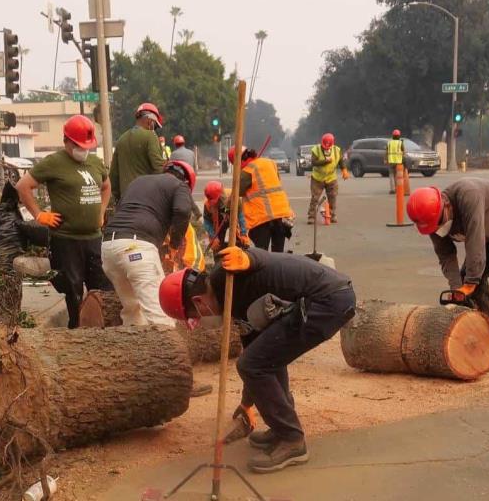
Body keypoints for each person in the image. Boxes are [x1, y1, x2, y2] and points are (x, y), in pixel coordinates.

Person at [158, 246, 356, 473]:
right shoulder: (226, 296)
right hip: (322, 298)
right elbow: (253, 346)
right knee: (262, 358)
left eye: (194, 316)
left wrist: (247, 257)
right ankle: (282, 427)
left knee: (254, 364)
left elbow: (259, 259)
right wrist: (246, 404)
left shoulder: (229, 275)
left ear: (199, 302)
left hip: (328, 301)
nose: (199, 322)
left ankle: (291, 440)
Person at [406, 178, 489, 365]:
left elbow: (475, 244)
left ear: (445, 204)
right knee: (466, 280)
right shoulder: (429, 219)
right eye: (433, 227)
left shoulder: (468, 195)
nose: (437, 228)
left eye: (439, 222)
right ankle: (485, 329)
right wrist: (457, 289)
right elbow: (446, 255)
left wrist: (470, 283)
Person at [16, 115, 112, 328]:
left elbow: (106, 186)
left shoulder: (94, 162)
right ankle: (76, 329)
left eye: (86, 146)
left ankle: (103, 330)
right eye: (78, 145)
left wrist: (102, 211)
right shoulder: (53, 162)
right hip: (66, 240)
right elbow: (23, 186)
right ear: (66, 141)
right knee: (73, 289)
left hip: (93, 238)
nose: (83, 149)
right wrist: (39, 214)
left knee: (102, 288)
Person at [101, 160, 196, 326]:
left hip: (109, 247)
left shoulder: (139, 181)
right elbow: (182, 211)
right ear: (187, 181)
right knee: (160, 314)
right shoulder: (180, 186)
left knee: (133, 311)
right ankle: (171, 350)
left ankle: (136, 350)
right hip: (136, 248)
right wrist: (174, 245)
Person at [230, 146, 294, 252]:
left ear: (238, 161)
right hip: (280, 214)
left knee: (262, 253)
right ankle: (278, 267)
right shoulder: (270, 162)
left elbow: (237, 192)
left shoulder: (247, 171)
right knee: (278, 253)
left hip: (262, 219)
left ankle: (266, 268)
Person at [110, 102, 167, 202]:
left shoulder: (121, 139)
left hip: (125, 200)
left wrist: (118, 199)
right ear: (150, 121)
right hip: (145, 199)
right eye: (156, 126)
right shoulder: (151, 136)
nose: (155, 130)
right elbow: (159, 168)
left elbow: (114, 176)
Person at [307, 133, 350, 224]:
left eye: (328, 146)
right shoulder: (316, 149)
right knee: (315, 198)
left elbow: (341, 162)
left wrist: (344, 171)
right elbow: (313, 162)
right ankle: (311, 216)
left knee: (333, 196)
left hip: (331, 178)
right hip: (317, 178)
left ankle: (332, 214)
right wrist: (325, 161)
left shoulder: (336, 150)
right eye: (324, 146)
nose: (326, 148)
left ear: (332, 144)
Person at [203, 180, 250, 252]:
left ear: (220, 194)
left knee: (239, 245)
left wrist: (243, 233)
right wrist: (213, 237)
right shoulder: (208, 204)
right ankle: (218, 260)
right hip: (218, 227)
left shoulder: (233, 197)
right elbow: (207, 222)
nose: (213, 203)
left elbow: (241, 217)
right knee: (217, 248)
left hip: (232, 223)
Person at [385, 129, 405, 194]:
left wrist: (385, 159)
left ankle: (392, 189)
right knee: (397, 176)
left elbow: (386, 152)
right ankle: (398, 188)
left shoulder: (389, 142)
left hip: (391, 161)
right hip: (399, 162)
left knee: (391, 175)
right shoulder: (400, 143)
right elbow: (403, 152)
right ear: (399, 136)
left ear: (393, 136)